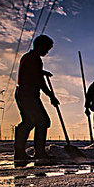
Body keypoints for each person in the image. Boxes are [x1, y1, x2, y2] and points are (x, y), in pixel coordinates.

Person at [14, 35, 59, 166]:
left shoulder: (28, 57)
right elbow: (39, 80)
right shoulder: (35, 59)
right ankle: (39, 152)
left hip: (22, 92)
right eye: (47, 48)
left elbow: (33, 72)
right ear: (40, 45)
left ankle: (20, 153)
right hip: (28, 93)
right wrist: (51, 96)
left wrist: (42, 72)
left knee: (28, 121)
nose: (47, 52)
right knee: (43, 121)